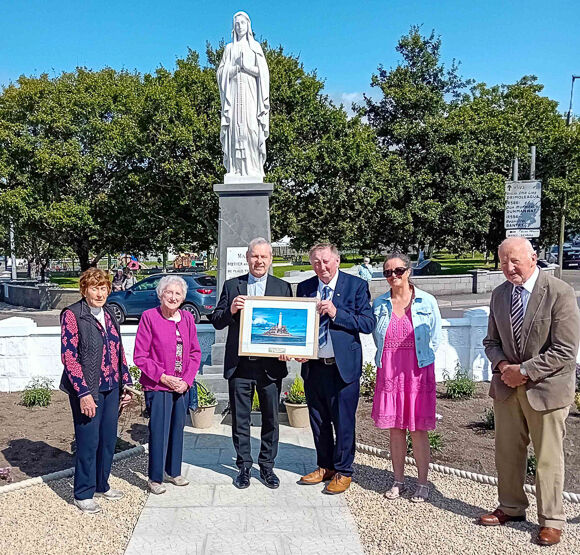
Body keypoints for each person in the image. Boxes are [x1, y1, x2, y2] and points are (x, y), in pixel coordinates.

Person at [480, 237, 580, 546]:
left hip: (547, 390)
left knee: (548, 458)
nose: (509, 268)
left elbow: (565, 350)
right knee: (507, 454)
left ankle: (551, 520)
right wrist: (503, 368)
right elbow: (491, 343)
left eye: (515, 261)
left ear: (533, 259)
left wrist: (523, 371)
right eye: (503, 262)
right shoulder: (499, 295)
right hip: (508, 389)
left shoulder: (559, 292)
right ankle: (511, 507)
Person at [209, 238, 291, 489]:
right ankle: (244, 466)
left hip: (270, 367)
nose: (259, 261)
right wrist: (232, 309)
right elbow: (217, 320)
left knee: (271, 419)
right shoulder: (233, 286)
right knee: (240, 419)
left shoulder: (283, 287)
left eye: (264, 257)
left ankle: (267, 467)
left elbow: (291, 321)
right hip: (240, 365)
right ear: (247, 258)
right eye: (255, 256)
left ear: (271, 259)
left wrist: (288, 350)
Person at [296, 243, 375, 494]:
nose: (322, 266)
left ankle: (343, 470)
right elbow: (298, 324)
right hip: (314, 366)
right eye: (316, 262)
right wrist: (299, 351)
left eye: (326, 261)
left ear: (337, 261)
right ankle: (325, 466)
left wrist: (335, 312)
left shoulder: (356, 286)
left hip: (343, 368)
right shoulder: (305, 287)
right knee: (318, 420)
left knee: (343, 421)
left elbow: (367, 323)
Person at [59, 268, 133, 514]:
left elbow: (119, 350)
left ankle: (102, 483)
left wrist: (127, 384)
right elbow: (69, 357)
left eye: (103, 288)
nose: (99, 293)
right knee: (88, 442)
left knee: (108, 440)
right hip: (87, 389)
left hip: (111, 387)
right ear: (84, 290)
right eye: (94, 288)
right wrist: (83, 393)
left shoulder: (110, 313)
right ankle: (83, 492)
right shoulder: (72, 315)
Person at [371, 253, 442, 502]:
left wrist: (419, 359)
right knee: (396, 429)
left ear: (409, 271)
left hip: (418, 371)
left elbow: (435, 337)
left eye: (398, 271)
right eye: (388, 272)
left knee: (419, 429)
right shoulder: (379, 304)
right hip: (390, 370)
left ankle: (423, 483)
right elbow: (376, 337)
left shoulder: (426, 301)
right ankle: (398, 480)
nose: (393, 276)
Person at [133, 275, 202, 494]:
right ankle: (155, 477)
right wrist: (163, 377)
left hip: (181, 386)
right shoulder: (149, 317)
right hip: (159, 386)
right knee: (159, 431)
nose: (173, 297)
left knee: (177, 430)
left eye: (178, 293)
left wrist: (187, 381)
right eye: (169, 292)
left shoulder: (187, 319)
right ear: (160, 294)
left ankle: (173, 471)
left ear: (183, 297)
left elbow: (194, 352)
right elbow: (140, 356)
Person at [217, 11, 270, 180]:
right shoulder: (229, 48)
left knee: (251, 129)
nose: (240, 26)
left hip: (250, 96)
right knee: (234, 129)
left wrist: (245, 67)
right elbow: (220, 73)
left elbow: (263, 73)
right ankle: (235, 169)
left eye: (242, 23)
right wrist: (234, 69)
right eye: (236, 23)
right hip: (233, 97)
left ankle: (253, 169)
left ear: (248, 25)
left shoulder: (255, 48)